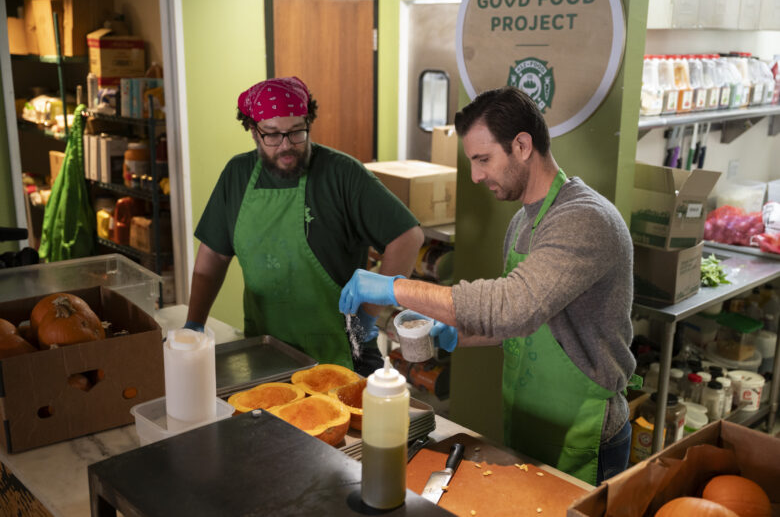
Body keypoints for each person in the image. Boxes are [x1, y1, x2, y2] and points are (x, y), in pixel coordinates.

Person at [339, 87, 638, 485]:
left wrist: (394, 287)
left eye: (483, 160)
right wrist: (455, 334)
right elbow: (517, 323)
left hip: (583, 431)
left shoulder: (584, 219)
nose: (477, 176)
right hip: (528, 418)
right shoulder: (520, 224)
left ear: (522, 145)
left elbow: (511, 306)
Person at [187, 76, 424, 375]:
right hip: (266, 351)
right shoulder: (237, 174)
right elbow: (214, 257)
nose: (286, 146)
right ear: (253, 131)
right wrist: (194, 324)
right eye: (272, 135)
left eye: (297, 132)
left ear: (308, 122)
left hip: (341, 352)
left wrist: (369, 313)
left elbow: (408, 236)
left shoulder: (342, 174)